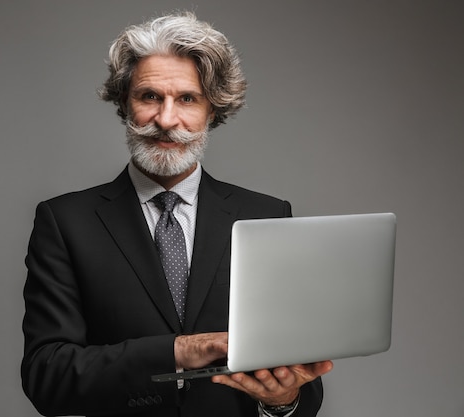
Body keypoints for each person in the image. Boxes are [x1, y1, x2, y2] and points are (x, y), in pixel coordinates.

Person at [21, 12, 333, 417]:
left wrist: (282, 400)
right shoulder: (65, 223)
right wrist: (179, 352)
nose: (167, 120)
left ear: (212, 110)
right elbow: (48, 377)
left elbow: (304, 389)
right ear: (124, 104)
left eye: (187, 99)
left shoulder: (268, 216)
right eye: (149, 96)